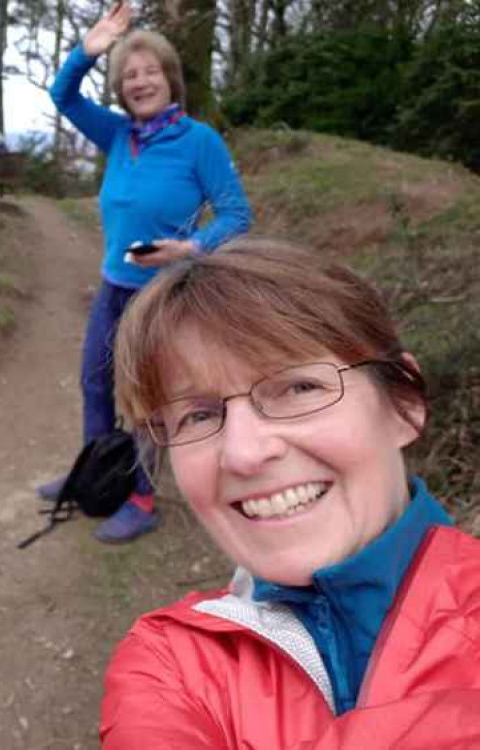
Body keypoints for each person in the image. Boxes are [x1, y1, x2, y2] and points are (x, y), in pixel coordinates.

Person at [100, 239, 480, 748]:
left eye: (299, 388)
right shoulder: (169, 665)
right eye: (199, 415)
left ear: (404, 403)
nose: (243, 453)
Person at [42, 0, 251, 543]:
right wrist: (89, 50)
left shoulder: (199, 142)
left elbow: (236, 214)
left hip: (164, 295)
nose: (139, 81)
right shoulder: (116, 135)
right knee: (94, 384)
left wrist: (189, 248)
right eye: (129, 75)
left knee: (143, 400)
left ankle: (139, 497)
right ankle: (96, 475)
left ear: (170, 80)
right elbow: (62, 96)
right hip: (115, 286)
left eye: (149, 72)